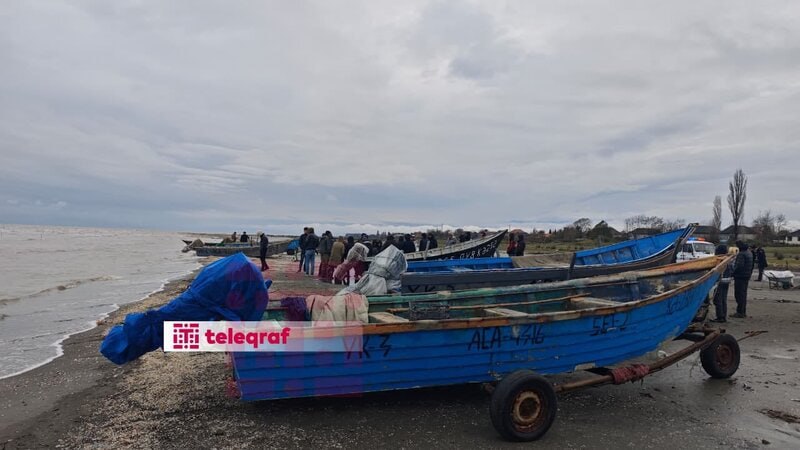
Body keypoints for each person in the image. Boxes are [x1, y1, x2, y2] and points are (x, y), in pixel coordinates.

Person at [731, 240, 753, 318]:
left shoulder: (741, 254)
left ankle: (740, 312)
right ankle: (743, 311)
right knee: (743, 294)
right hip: (746, 276)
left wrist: (732, 273)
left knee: (739, 294)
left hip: (740, 277)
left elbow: (739, 266)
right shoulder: (749, 253)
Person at [710, 244, 732, 322]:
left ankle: (720, 317)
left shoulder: (721, 259)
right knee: (723, 299)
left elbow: (716, 271)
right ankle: (723, 316)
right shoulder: (728, 258)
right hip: (727, 281)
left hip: (720, 281)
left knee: (717, 299)